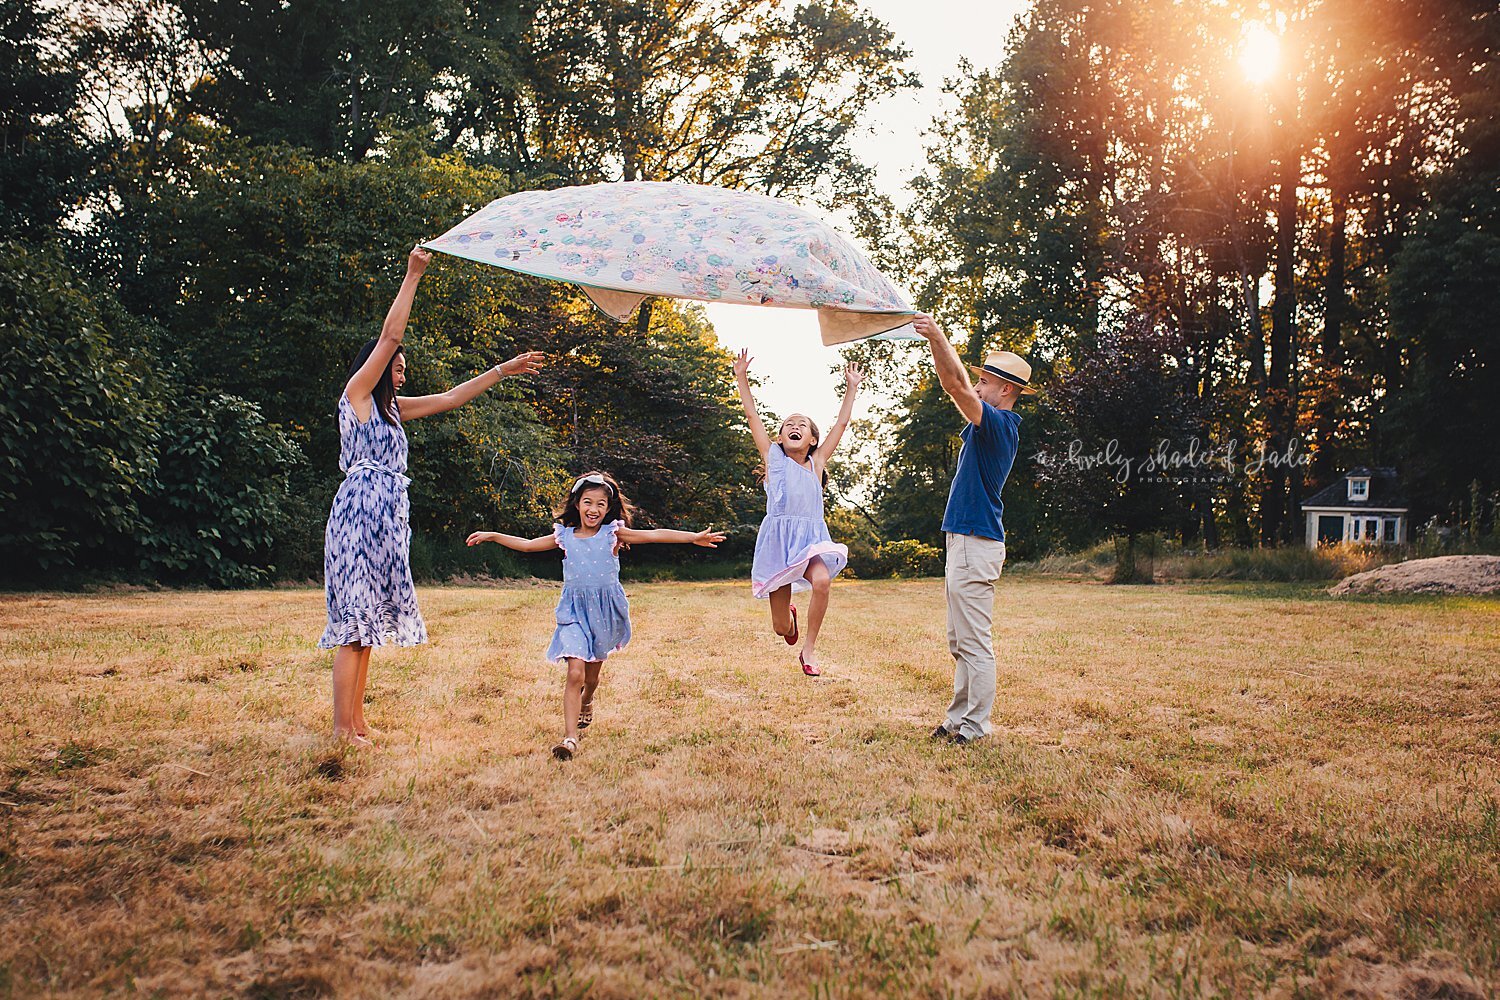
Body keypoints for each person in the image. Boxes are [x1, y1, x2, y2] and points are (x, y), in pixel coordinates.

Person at [320, 245, 545, 747]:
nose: (401, 371)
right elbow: (390, 334)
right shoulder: (356, 397)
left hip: (388, 516)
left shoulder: (393, 410)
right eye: (396, 367)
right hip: (359, 513)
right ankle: (340, 728)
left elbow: (448, 399)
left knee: (372, 623)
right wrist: (412, 275)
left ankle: (356, 722)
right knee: (353, 623)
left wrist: (502, 371)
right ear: (376, 368)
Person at [465, 472, 725, 759]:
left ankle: (587, 701)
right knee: (575, 673)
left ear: (608, 508)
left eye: (601, 504)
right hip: (574, 612)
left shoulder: (613, 533)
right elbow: (527, 545)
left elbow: (654, 535)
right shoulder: (563, 536)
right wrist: (492, 535)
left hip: (605, 613)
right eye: (588, 502)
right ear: (577, 504)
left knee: (592, 678)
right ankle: (569, 739)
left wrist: (693, 538)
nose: (594, 509)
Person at [912, 313, 1034, 745]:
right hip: (965, 541)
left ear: (1006, 390)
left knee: (975, 642)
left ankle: (975, 728)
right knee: (959, 639)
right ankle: (956, 720)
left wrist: (938, 337)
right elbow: (961, 388)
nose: (978, 387)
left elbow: (955, 386)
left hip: (976, 543)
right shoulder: (985, 430)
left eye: (985, 382)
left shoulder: (1000, 426)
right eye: (979, 380)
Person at [734, 349, 862, 677]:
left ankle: (809, 649)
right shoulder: (773, 458)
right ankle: (788, 622)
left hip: (810, 540)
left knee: (822, 581)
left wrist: (851, 388)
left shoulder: (816, 464)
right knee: (779, 628)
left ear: (812, 439)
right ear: (780, 436)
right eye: (788, 424)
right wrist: (742, 378)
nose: (794, 426)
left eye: (801, 424)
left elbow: (842, 423)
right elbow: (752, 417)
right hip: (778, 543)